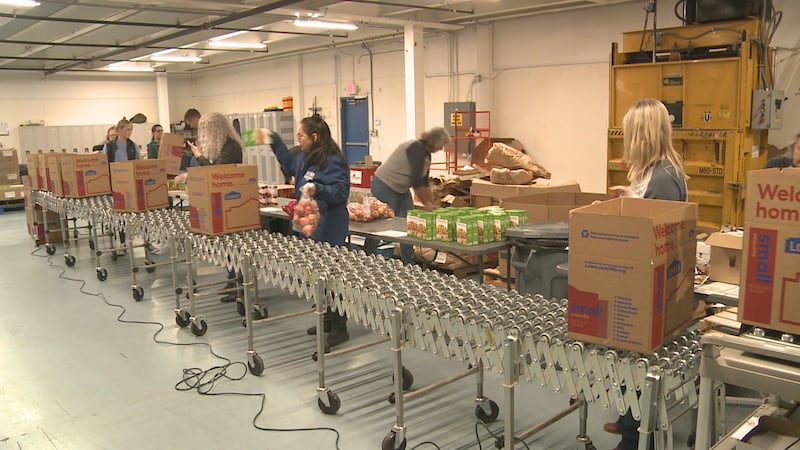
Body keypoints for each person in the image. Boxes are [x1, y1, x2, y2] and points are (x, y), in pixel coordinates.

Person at [605, 98, 688, 450]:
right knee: (633, 365)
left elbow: (654, 239)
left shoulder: (663, 179)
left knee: (641, 367)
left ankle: (635, 439)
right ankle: (629, 422)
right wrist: (629, 197)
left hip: (651, 287)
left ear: (642, 135)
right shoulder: (658, 174)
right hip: (650, 283)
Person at [270, 115, 350, 349]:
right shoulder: (304, 157)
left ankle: (339, 328)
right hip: (310, 225)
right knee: (317, 275)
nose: (298, 139)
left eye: (301, 135)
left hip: (330, 227)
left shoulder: (333, 161)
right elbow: (288, 163)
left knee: (332, 277)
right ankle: (325, 318)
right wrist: (274, 141)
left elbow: (340, 193)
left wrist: (318, 189)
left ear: (314, 137)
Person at [366, 126, 451, 264]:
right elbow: (416, 182)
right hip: (385, 184)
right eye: (441, 145)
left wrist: (433, 204)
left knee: (408, 224)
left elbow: (424, 181)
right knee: (379, 224)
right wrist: (427, 204)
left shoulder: (426, 155)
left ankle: (409, 262)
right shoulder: (415, 149)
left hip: (401, 188)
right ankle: (368, 257)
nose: (441, 149)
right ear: (433, 142)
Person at [183, 112, 244, 302]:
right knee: (226, 246)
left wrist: (199, 156)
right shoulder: (221, 146)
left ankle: (238, 283)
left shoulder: (230, 146)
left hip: (231, 201)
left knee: (233, 245)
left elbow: (216, 171)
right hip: (219, 200)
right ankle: (232, 279)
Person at [102, 118, 141, 255]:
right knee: (120, 213)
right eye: (127, 129)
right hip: (116, 183)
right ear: (119, 130)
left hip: (130, 182)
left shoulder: (133, 146)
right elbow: (104, 163)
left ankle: (146, 242)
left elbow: (138, 163)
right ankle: (123, 242)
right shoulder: (110, 146)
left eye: (131, 130)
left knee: (136, 212)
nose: (129, 132)